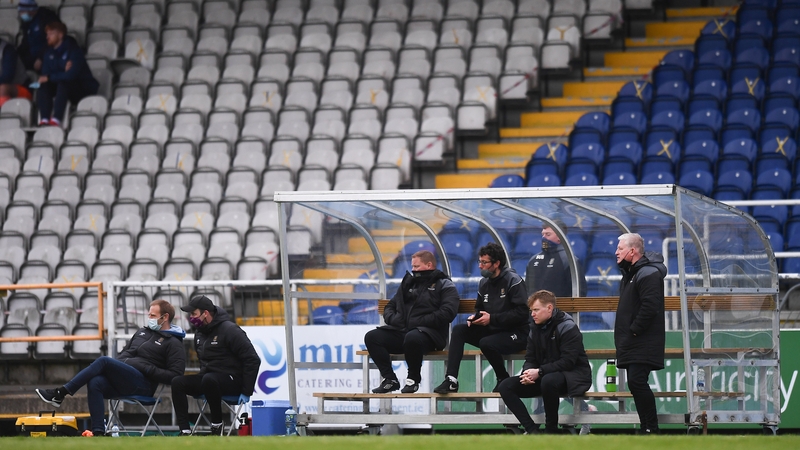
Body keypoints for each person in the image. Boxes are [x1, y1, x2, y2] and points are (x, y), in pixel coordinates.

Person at [35, 300, 186, 437]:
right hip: (127, 378)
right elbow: (124, 355)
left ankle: (61, 393)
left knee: (104, 361)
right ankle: (98, 432)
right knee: (95, 382)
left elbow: (175, 376)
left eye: (153, 315)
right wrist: (121, 366)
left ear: (165, 317)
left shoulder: (173, 342)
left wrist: (146, 368)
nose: (149, 318)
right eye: (149, 315)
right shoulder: (142, 332)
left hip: (144, 385)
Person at [434, 242, 529, 394]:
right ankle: (451, 379)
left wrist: (492, 319)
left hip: (517, 333)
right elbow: (480, 308)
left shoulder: (513, 280)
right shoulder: (484, 283)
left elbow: (523, 313)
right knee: (459, 330)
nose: (480, 266)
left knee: (486, 343)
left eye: (484, 262)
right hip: (494, 330)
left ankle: (502, 378)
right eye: (479, 261)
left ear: (496, 263)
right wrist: (476, 317)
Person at [497, 290, 592, 434]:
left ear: (549, 308)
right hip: (545, 375)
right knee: (505, 386)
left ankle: (551, 430)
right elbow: (530, 358)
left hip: (572, 376)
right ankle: (532, 430)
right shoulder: (534, 329)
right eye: (531, 311)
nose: (532, 314)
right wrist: (527, 374)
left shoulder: (567, 326)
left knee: (548, 380)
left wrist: (539, 372)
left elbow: (568, 362)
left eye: (536, 310)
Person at [366, 250, 459, 394]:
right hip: (404, 331)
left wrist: (418, 321)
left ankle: (413, 379)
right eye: (413, 267)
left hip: (430, 335)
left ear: (429, 265)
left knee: (413, 337)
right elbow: (390, 306)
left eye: (417, 267)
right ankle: (390, 379)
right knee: (372, 337)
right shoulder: (408, 283)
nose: (414, 270)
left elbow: (447, 313)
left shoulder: (444, 284)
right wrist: (394, 319)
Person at [172, 296, 261, 436]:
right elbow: (203, 362)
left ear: (205, 313)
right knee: (178, 382)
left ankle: (217, 425)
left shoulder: (230, 330)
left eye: (194, 314)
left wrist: (247, 390)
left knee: (209, 379)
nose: (191, 317)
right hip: (209, 379)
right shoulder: (199, 333)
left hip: (232, 380)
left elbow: (253, 359)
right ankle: (185, 430)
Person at [614, 232, 667, 434]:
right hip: (634, 341)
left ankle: (651, 428)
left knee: (637, 381)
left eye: (620, 248)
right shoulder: (632, 273)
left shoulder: (648, 273)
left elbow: (650, 306)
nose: (616, 252)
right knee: (635, 383)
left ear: (632, 251)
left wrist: (634, 331)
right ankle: (647, 428)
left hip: (642, 340)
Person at [36, 20, 99, 127]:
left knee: (64, 82)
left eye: (51, 34)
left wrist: (52, 76)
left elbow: (70, 75)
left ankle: (56, 120)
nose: (47, 37)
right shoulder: (48, 53)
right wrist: (60, 71)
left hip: (82, 89)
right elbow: (45, 76)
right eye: (47, 34)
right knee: (43, 84)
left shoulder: (74, 51)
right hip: (62, 88)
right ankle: (44, 119)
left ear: (60, 35)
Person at [525, 220, 586, 297]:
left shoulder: (569, 260)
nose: (544, 238)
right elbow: (527, 290)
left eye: (548, 234)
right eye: (543, 234)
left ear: (560, 237)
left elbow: (579, 291)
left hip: (561, 307)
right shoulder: (533, 260)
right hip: (536, 308)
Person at [16, 0, 59, 71]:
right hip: (32, 57)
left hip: (48, 56)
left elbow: (54, 40)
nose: (21, 14)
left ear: (31, 10)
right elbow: (25, 43)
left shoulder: (46, 17)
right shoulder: (27, 23)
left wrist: (41, 58)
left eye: (22, 11)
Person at [0, 38, 31, 107]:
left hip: (21, 88)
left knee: (3, 88)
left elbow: (7, 77)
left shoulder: (7, 49)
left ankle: (4, 115)